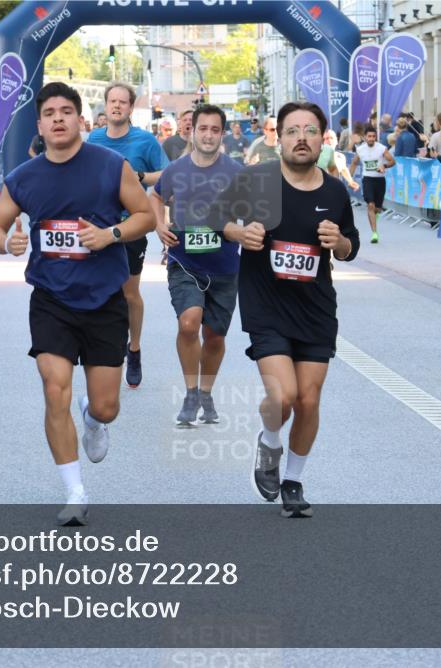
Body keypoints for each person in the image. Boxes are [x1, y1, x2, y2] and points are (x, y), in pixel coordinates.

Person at [0, 82, 154, 526]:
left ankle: (93, 420)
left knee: (106, 407)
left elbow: (145, 216)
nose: (58, 119)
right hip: (52, 298)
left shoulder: (111, 166)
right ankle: (75, 491)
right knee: (53, 386)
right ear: (39, 124)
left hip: (103, 300)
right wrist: (8, 242)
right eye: (50, 113)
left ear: (81, 120)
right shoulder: (25, 177)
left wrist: (109, 235)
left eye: (66, 111)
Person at [209, 101, 359, 518]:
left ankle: (293, 481)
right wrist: (240, 232)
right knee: (284, 395)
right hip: (266, 303)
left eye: (310, 131)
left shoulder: (333, 190)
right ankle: (270, 442)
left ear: (322, 138)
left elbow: (351, 246)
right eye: (292, 131)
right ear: (280, 137)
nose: (301, 139)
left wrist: (339, 242)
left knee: (309, 401)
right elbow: (218, 215)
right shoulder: (257, 179)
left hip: (314, 308)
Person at [151, 104, 243, 426]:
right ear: (193, 130)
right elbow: (155, 196)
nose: (207, 135)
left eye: (214, 130)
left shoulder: (235, 171)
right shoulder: (176, 170)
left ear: (222, 134)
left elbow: (253, 215)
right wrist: (159, 224)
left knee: (215, 336)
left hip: (225, 265)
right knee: (189, 324)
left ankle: (206, 391)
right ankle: (191, 391)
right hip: (184, 261)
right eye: (202, 128)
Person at [87, 82, 169, 388]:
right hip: (97, 225)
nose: (117, 106)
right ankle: (105, 350)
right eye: (112, 101)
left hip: (132, 225)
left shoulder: (145, 142)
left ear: (131, 108)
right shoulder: (94, 139)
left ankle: (133, 349)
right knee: (99, 290)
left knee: (129, 293)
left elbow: (166, 174)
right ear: (106, 106)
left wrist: (141, 177)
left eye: (123, 102)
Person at [349, 125, 394, 244]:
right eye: (369, 136)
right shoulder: (360, 149)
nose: (371, 138)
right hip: (368, 179)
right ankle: (374, 233)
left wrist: (384, 166)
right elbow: (354, 163)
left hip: (380, 180)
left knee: (377, 208)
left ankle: (375, 216)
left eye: (373, 136)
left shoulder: (381, 148)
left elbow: (392, 161)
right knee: (370, 205)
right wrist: (349, 179)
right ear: (365, 137)